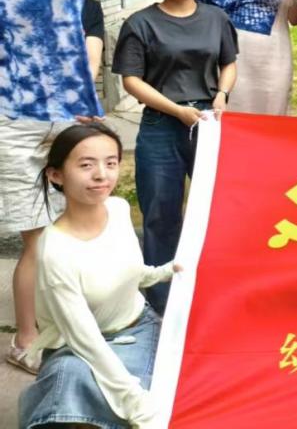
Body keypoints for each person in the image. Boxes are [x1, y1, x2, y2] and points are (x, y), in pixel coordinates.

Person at [19, 123, 179, 429]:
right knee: (73, 380)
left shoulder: (118, 209)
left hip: (139, 328)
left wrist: (167, 271)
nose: (101, 175)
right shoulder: (54, 251)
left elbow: (129, 273)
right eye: (86, 165)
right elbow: (85, 339)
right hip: (78, 345)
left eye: (111, 163)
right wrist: (136, 404)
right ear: (56, 175)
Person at [2, 0, 104, 375]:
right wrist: (34, 2)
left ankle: (77, 328)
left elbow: (88, 65)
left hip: (68, 124)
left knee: (75, 234)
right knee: (38, 243)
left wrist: (63, 9)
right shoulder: (6, 1)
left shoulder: (87, 5)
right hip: (16, 127)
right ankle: (25, 339)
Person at [112, 0, 237, 314]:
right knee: (161, 213)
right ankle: (161, 301)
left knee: (216, 210)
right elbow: (131, 81)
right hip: (161, 125)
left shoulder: (216, 18)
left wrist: (222, 95)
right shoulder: (140, 23)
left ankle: (214, 289)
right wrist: (176, 110)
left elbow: (228, 63)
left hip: (209, 124)